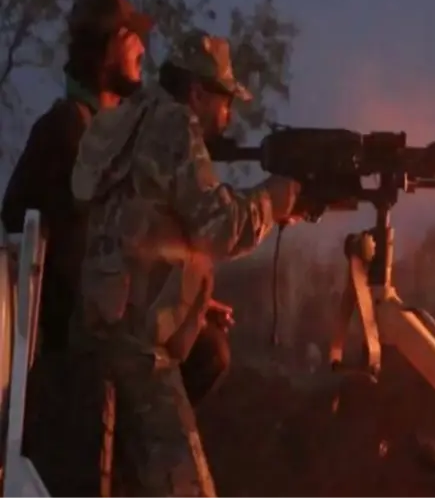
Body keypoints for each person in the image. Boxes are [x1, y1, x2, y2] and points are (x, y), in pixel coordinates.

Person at [71, 29, 302, 497]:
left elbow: (143, 231)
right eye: (224, 101)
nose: (228, 115)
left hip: (102, 328)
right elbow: (219, 227)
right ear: (197, 92)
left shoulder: (130, 119)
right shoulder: (174, 124)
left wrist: (191, 299)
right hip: (138, 349)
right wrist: (275, 201)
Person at [0, 0, 152, 498]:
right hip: (63, 354)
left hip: (79, 335)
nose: (142, 51)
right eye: (132, 39)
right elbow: (85, 257)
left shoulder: (92, 132)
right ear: (109, 48)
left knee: (201, 349)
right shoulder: (68, 131)